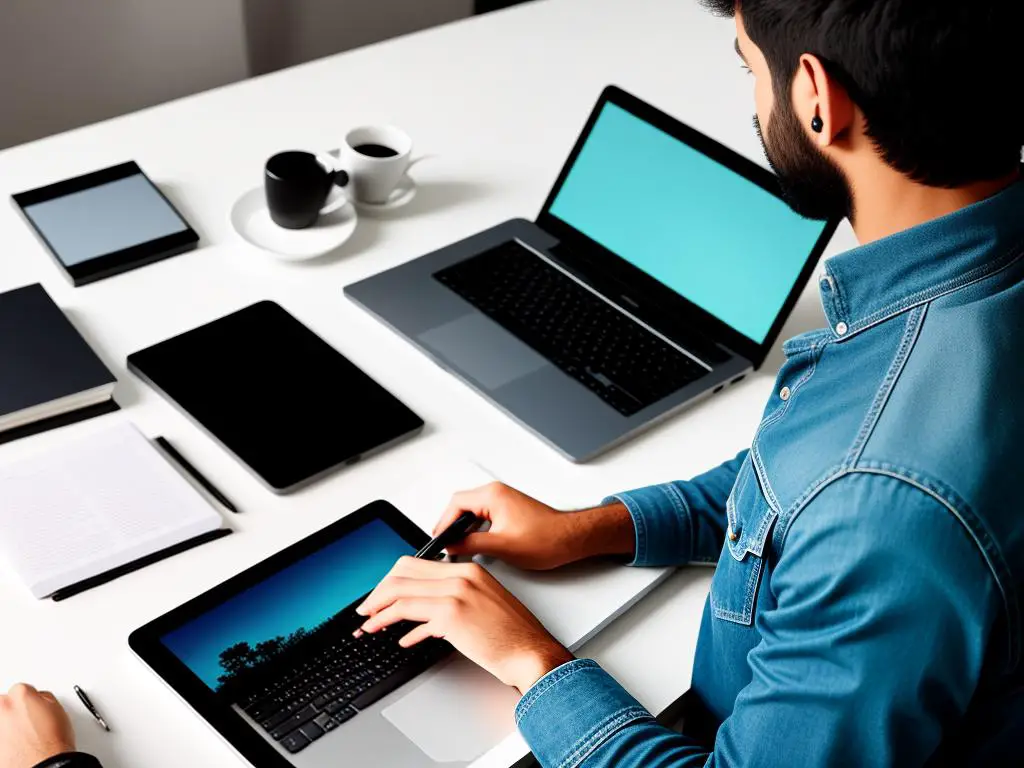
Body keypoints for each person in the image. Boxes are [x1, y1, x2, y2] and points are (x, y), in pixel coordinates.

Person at [4, 0, 1022, 766]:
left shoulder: (888, 495)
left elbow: (856, 502)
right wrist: (595, 527)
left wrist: (534, 664)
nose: (752, 101)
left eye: (747, 68)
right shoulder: (939, 314)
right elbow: (797, 488)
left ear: (816, 96)